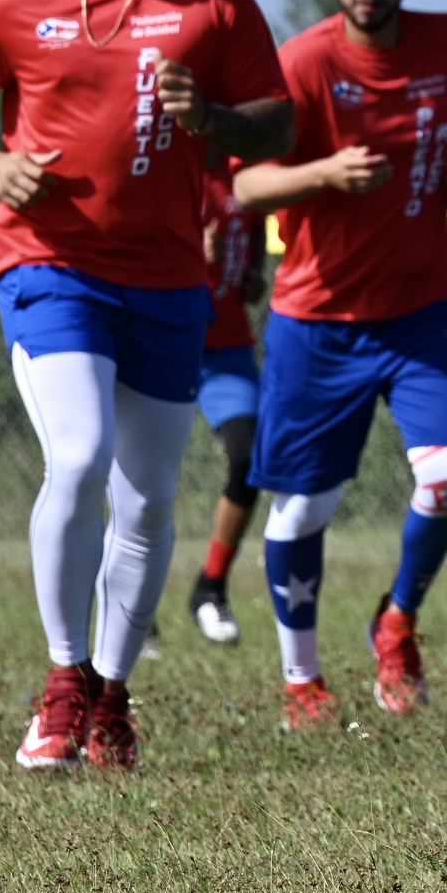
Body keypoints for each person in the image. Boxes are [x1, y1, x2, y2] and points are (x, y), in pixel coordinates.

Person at [0, 0, 290, 771]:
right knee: (80, 458)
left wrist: (210, 117)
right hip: (53, 265)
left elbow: (280, 120)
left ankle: (114, 698)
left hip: (170, 280)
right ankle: (63, 679)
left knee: (150, 499)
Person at [233, 0, 447, 729]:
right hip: (321, 321)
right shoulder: (304, 62)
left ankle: (398, 622)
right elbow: (244, 186)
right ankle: (301, 680)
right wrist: (324, 175)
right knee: (305, 510)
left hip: (424, 312)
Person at [181, 163, 267, 645]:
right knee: (137, 475)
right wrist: (192, 256)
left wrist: (254, 275)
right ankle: (132, 606)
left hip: (226, 347)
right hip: (166, 339)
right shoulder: (172, 161)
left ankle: (210, 587)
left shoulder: (247, 171)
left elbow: (255, 238)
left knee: (248, 456)